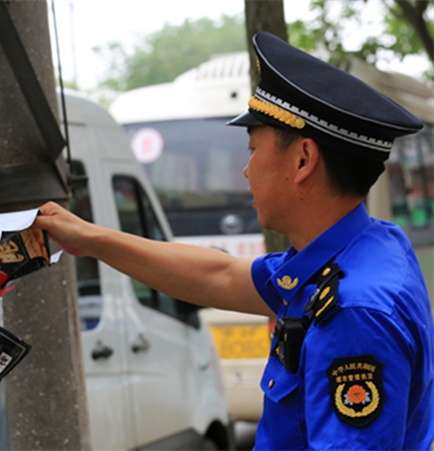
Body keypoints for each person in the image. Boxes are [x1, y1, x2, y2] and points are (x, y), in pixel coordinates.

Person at [33, 32, 434, 450]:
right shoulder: (364, 248)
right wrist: (88, 238)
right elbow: (219, 276)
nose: (246, 170)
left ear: (302, 160)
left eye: (252, 149)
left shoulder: (353, 311)